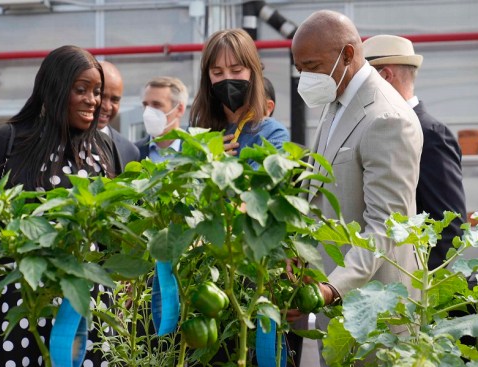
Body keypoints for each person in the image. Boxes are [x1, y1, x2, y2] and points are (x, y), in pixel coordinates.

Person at [290, 10, 423, 362]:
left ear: (347, 55)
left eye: (312, 66)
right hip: (337, 309)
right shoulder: (336, 103)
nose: (305, 77)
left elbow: (387, 227)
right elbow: (318, 196)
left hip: (375, 315)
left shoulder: (387, 118)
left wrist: (332, 288)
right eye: (299, 68)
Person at [0, 45, 120, 367]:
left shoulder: (103, 146)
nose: (92, 100)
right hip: (21, 297)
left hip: (87, 300)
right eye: (80, 90)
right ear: (54, 88)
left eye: (97, 91)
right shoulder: (8, 140)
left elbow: (116, 226)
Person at [363, 34, 466, 270]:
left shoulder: (430, 133)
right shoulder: (384, 128)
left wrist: (416, 284)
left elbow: (449, 227)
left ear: (385, 77)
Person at [189, 28, 289, 164]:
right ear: (208, 79)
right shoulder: (198, 132)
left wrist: (213, 167)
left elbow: (262, 183)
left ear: (253, 72)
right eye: (217, 73)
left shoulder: (272, 133)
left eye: (236, 70)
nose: (227, 79)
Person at [135, 76, 189, 162]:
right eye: (145, 105)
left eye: (156, 105)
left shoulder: (196, 151)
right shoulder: (132, 152)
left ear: (179, 109)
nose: (148, 111)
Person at [99, 61, 140, 169]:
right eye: (101, 96)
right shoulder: (58, 140)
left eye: (115, 100)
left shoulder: (128, 151)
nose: (107, 106)